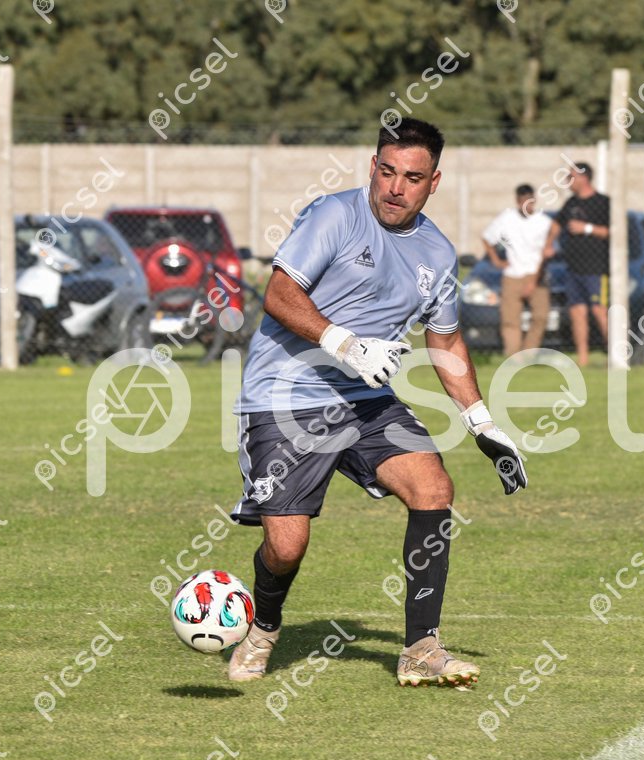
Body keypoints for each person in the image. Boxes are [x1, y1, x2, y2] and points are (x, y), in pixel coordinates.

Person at [227, 118, 527, 688]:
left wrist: (482, 423)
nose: (395, 188)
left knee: (433, 488)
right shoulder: (334, 216)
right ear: (373, 167)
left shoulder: (438, 252)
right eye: (386, 172)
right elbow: (280, 295)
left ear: (433, 183)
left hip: (365, 400)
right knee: (286, 547)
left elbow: (445, 341)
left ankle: (420, 648)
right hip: (285, 397)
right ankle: (263, 627)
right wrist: (346, 344)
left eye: (411, 178)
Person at [542, 162, 609, 367]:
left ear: (584, 178)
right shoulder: (571, 203)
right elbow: (557, 224)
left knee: (599, 311)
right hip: (573, 268)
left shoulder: (603, 203)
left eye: (571, 177)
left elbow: (612, 231)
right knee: (577, 313)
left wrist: (586, 228)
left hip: (596, 269)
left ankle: (616, 355)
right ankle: (583, 359)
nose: (567, 181)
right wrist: (549, 243)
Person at [481, 184, 552, 356]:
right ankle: (513, 357)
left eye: (529, 201)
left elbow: (548, 251)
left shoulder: (544, 222)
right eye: (522, 201)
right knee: (510, 319)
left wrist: (534, 281)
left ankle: (528, 353)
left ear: (534, 200)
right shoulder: (507, 218)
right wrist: (496, 260)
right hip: (512, 275)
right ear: (517, 201)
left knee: (541, 316)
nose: (526, 205)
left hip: (536, 274)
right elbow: (487, 237)